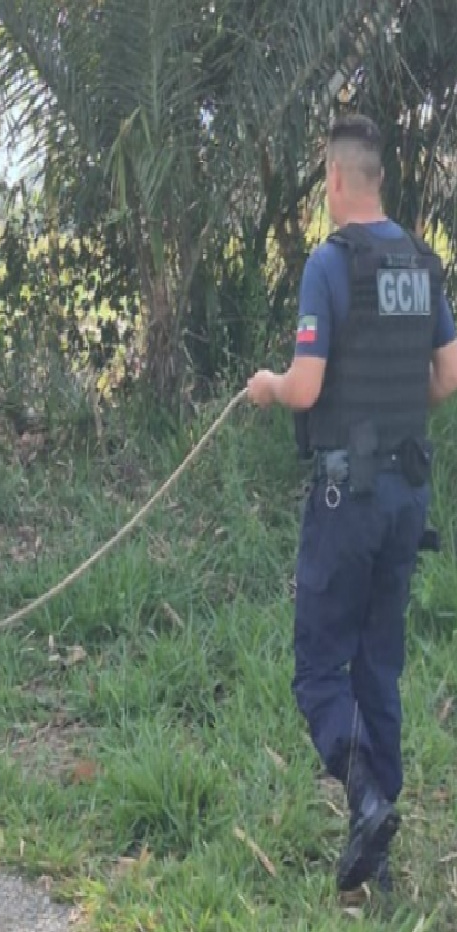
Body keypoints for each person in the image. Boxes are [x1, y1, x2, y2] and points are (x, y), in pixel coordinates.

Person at [247, 113, 457, 899]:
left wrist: (268, 388)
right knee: (379, 667)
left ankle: (365, 798)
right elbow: (447, 374)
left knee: (316, 671)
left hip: (348, 497)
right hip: (409, 496)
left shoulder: (328, 266)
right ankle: (382, 857)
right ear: (379, 177)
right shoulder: (421, 261)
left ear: (334, 180)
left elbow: (303, 386)